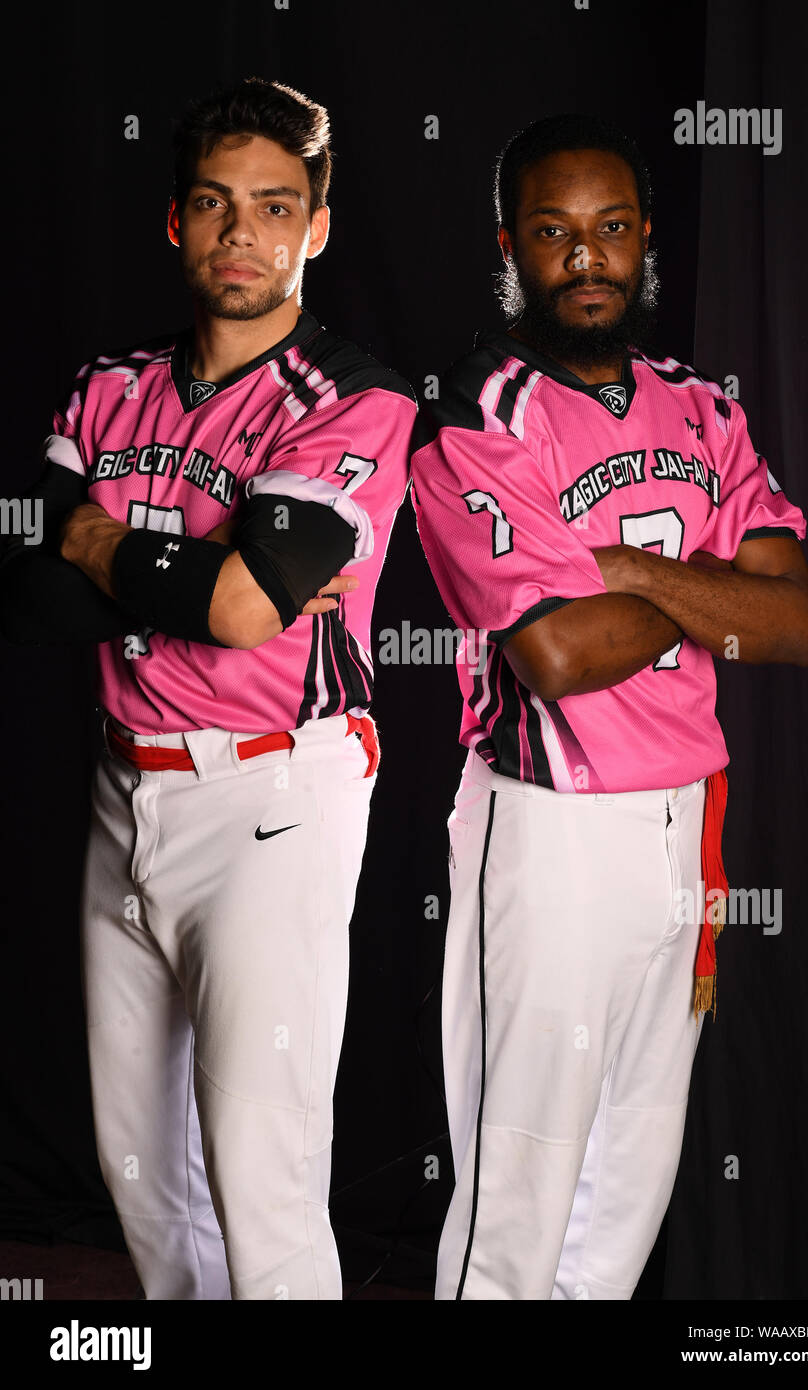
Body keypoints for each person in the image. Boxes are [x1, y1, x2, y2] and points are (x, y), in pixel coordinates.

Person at [0, 77, 416, 1300]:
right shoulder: (107, 383)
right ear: (174, 222)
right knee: (141, 1174)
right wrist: (195, 562)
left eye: (274, 206)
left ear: (316, 227)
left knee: (261, 1174)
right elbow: (35, 602)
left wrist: (107, 541)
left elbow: (241, 613)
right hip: (122, 787)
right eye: (215, 205)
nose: (243, 234)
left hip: (273, 796)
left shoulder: (356, 397)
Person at [409, 114, 808, 1301]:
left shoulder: (703, 407)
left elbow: (792, 625)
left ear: (643, 241)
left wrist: (636, 568)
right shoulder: (476, 421)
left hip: (680, 822)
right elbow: (552, 652)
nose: (584, 259)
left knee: (626, 1190)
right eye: (552, 234)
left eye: (609, 230)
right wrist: (717, 581)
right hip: (549, 828)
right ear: (511, 248)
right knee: (516, 1205)